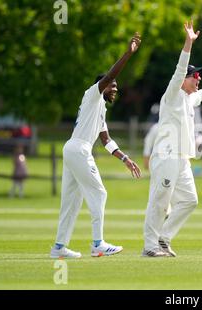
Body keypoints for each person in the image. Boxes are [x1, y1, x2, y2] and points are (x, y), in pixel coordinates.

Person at [142, 21, 202, 257]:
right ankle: (150, 246)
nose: (198, 79)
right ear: (184, 79)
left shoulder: (189, 98)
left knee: (189, 201)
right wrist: (189, 42)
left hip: (182, 158)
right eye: (195, 76)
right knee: (160, 201)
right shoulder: (173, 94)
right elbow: (179, 69)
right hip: (165, 156)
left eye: (199, 77)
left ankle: (163, 238)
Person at [50, 33, 143, 259]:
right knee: (99, 193)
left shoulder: (100, 109)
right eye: (112, 85)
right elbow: (111, 73)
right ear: (102, 86)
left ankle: (59, 248)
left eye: (116, 86)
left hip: (73, 150)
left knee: (72, 202)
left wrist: (125, 159)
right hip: (79, 150)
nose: (115, 89)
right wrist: (128, 54)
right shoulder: (92, 95)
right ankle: (98, 244)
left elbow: (106, 141)